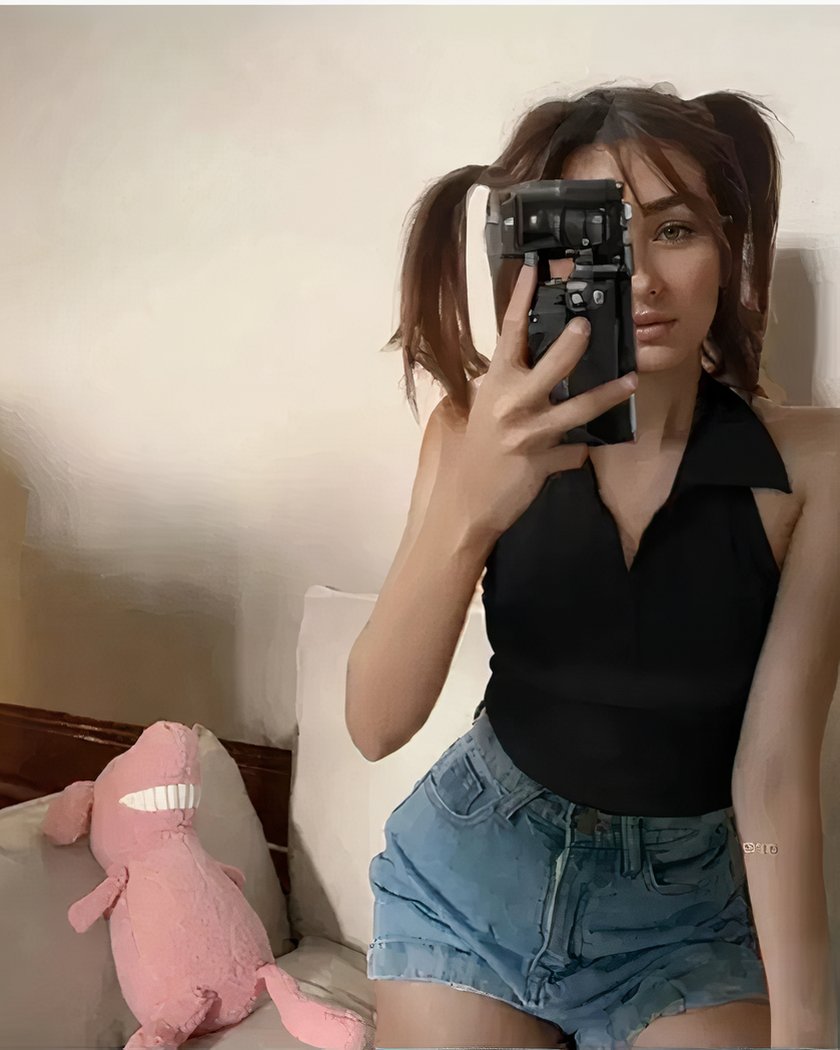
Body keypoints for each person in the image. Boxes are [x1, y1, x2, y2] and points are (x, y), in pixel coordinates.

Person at [345, 84, 840, 1050]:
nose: (643, 278)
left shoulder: (814, 467)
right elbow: (374, 723)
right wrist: (469, 511)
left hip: (680, 923)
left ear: (727, 248)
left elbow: (776, 767)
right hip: (471, 877)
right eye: (597, 237)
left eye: (676, 230)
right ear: (535, 258)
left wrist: (808, 1025)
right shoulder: (468, 432)